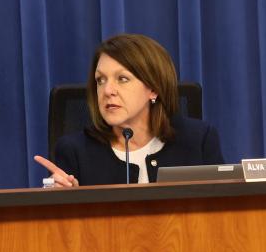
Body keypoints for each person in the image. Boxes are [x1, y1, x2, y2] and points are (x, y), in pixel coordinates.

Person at [34, 33, 223, 186]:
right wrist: (64, 201)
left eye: (122, 79)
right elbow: (63, 230)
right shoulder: (74, 151)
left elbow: (224, 211)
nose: (107, 91)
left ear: (153, 89)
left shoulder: (199, 140)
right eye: (100, 80)